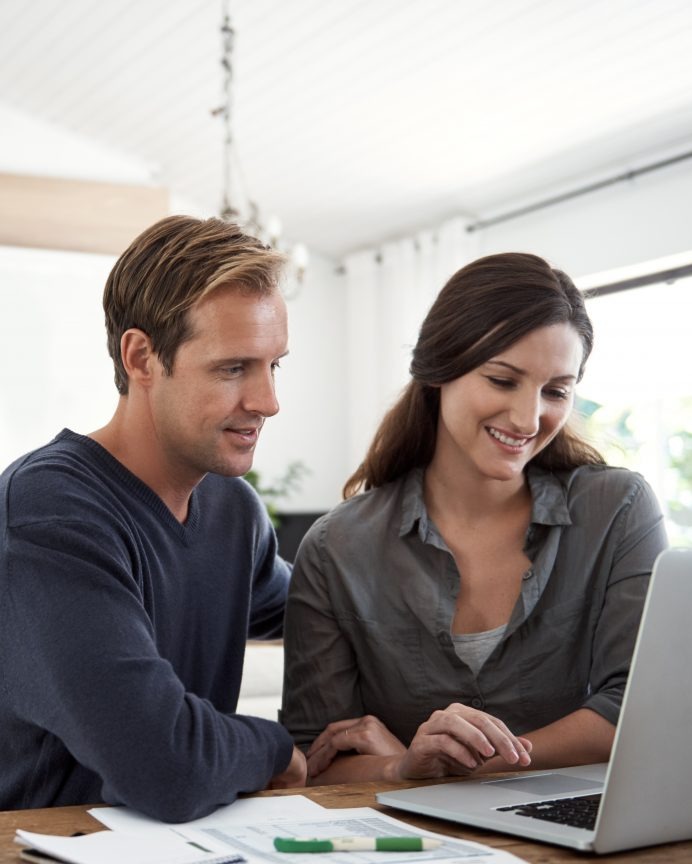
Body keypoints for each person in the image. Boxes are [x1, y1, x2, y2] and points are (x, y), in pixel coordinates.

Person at [281, 251, 668, 785]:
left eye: (556, 390)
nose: (529, 418)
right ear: (440, 369)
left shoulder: (618, 512)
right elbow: (317, 757)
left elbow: (638, 709)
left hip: (580, 834)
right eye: (503, 380)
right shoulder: (335, 548)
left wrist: (469, 765)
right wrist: (402, 765)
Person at [0, 215, 306, 821]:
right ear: (141, 357)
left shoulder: (233, 510)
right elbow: (165, 764)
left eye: (275, 365)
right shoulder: (50, 508)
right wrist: (277, 748)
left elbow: (332, 614)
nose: (268, 401)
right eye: (233, 368)